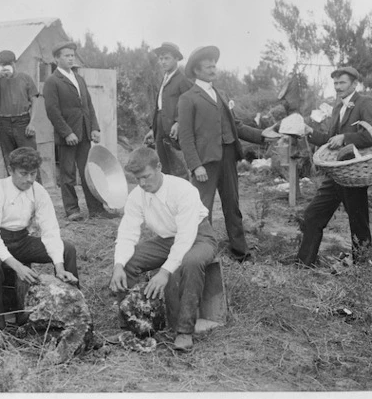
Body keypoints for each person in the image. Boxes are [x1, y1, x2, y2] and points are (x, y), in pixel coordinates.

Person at [109, 147, 217, 351]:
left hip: (198, 236)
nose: (142, 183)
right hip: (167, 239)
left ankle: (184, 331)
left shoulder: (183, 190)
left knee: (190, 262)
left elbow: (185, 237)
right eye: (137, 179)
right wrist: (118, 264)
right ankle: (131, 326)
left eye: (146, 177)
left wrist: (165, 272)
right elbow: (127, 233)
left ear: (159, 167)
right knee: (129, 262)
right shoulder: (136, 196)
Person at [178, 46, 272, 263]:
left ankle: (240, 252)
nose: (213, 67)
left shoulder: (222, 94)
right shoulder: (188, 98)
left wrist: (262, 135)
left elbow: (236, 126)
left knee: (232, 205)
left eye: (214, 63)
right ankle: (202, 254)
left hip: (228, 157)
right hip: (205, 163)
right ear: (196, 70)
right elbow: (185, 136)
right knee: (202, 210)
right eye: (208, 64)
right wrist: (196, 165)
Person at [0, 147, 79, 329]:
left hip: (21, 240)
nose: (29, 179)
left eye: (33, 174)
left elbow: (50, 229)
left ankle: (72, 312)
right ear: (10, 170)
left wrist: (59, 265)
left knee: (67, 249)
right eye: (23, 174)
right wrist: (18, 267)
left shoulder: (38, 191)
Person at [297, 66, 372, 267]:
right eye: (335, 83)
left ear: (354, 84)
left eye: (342, 83)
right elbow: (330, 140)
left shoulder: (365, 103)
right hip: (336, 174)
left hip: (353, 173)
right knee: (313, 214)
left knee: (358, 222)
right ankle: (304, 263)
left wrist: (346, 138)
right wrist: (310, 131)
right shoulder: (337, 107)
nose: (338, 87)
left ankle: (362, 270)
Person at [43, 41, 115, 221]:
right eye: (66, 56)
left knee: (88, 173)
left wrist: (95, 128)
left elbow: (88, 106)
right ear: (57, 58)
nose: (70, 58)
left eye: (72, 55)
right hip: (68, 136)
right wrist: (67, 133)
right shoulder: (53, 81)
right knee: (67, 174)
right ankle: (72, 210)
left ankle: (96, 210)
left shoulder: (79, 78)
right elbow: (52, 111)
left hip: (84, 133)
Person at [0, 49, 42, 183]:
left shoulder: (25, 78)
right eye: (3, 64)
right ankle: (14, 192)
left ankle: (37, 192)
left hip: (22, 121)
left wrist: (32, 123)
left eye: (9, 63)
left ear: (15, 62)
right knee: (10, 159)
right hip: (4, 123)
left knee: (31, 158)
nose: (6, 67)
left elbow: (35, 100)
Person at [144, 42, 192, 179]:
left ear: (176, 58)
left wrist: (178, 123)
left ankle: (183, 199)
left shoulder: (182, 80)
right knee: (164, 169)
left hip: (174, 132)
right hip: (160, 129)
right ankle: (167, 200)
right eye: (161, 58)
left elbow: (188, 106)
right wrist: (153, 129)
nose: (163, 62)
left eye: (167, 58)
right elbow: (160, 106)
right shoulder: (164, 79)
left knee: (179, 170)